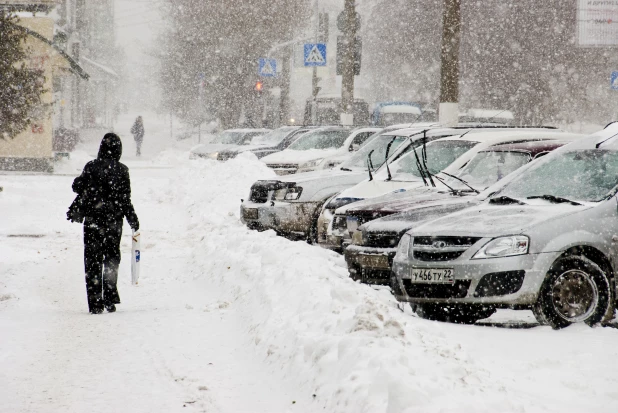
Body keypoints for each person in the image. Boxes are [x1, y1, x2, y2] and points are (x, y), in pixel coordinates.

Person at [67, 133, 139, 314]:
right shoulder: (122, 170)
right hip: (113, 222)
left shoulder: (91, 166)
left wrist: (85, 183)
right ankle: (109, 296)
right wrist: (132, 219)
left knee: (92, 260)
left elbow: (77, 187)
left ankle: (95, 303)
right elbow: (125, 200)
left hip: (93, 221)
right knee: (112, 258)